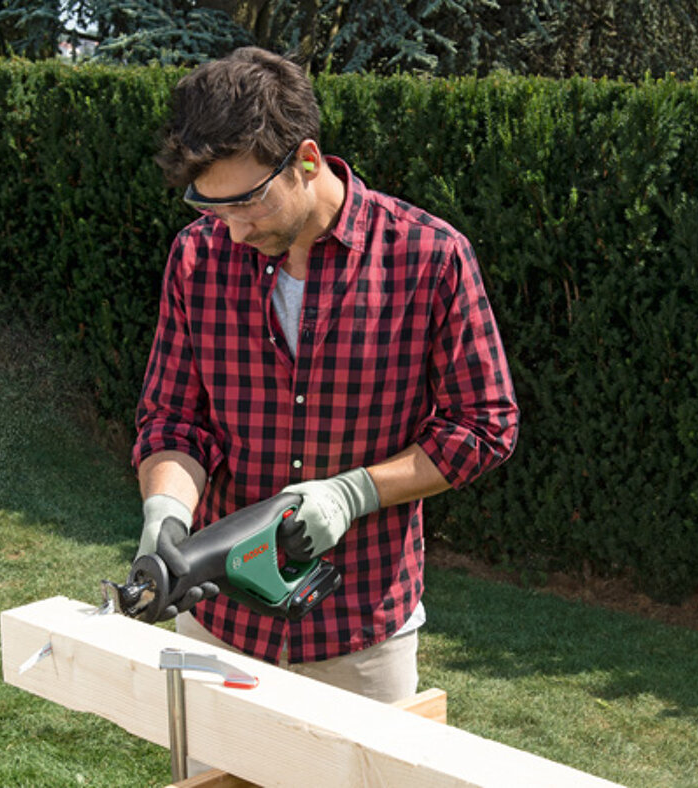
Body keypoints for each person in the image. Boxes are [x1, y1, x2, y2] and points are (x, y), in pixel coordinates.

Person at [132, 46, 518, 704]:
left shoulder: (430, 257)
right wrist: (166, 514)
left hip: (363, 633)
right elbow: (174, 419)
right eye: (212, 208)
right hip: (221, 626)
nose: (233, 231)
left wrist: (354, 493)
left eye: (248, 203)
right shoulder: (197, 257)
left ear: (306, 162)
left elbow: (483, 426)